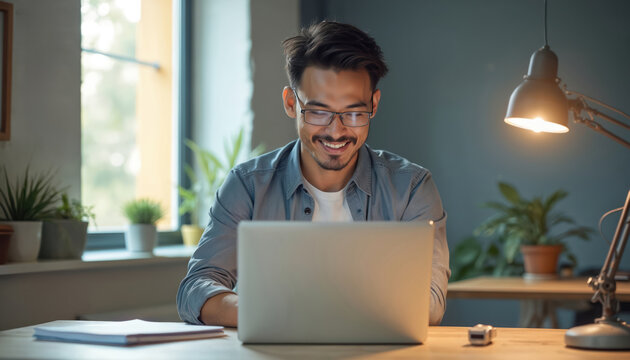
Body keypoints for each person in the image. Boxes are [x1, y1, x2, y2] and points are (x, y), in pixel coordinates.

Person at [177, 21, 450, 327]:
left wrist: (314, 311)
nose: (336, 131)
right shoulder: (248, 185)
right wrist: (269, 312)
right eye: (318, 112)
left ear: (374, 104)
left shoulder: (412, 187)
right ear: (292, 103)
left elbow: (430, 302)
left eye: (354, 113)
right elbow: (195, 289)